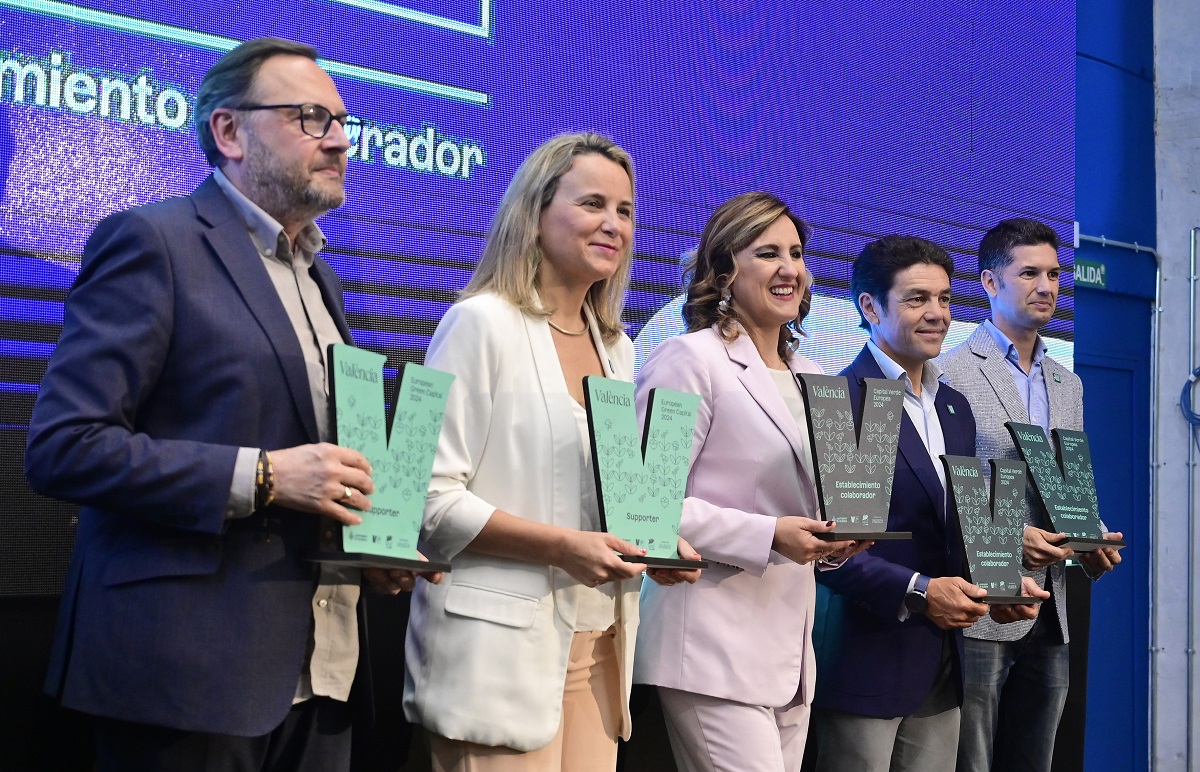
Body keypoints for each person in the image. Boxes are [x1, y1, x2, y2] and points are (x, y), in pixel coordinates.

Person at [24, 37, 437, 772]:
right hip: (186, 680)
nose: (340, 140)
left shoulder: (324, 280)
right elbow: (66, 445)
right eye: (312, 117)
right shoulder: (155, 242)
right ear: (228, 131)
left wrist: (367, 549)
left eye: (343, 121)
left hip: (323, 675)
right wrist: (265, 477)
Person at [403, 132, 698, 771]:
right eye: (593, 203)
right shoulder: (479, 323)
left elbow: (612, 504)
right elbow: (425, 500)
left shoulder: (620, 350)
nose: (613, 224)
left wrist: (654, 550)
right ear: (534, 214)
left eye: (624, 211)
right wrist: (561, 546)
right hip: (496, 659)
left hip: (601, 654)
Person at [632, 192, 866, 772]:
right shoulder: (688, 359)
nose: (790, 268)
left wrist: (836, 543)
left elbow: (812, 512)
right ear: (724, 271)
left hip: (791, 657)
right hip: (709, 642)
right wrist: (770, 534)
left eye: (796, 252)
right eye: (768, 253)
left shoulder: (818, 378)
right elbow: (645, 505)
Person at [810, 235, 1039, 772]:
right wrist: (920, 591)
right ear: (869, 307)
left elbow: (952, 526)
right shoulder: (846, 401)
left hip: (943, 663)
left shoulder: (954, 406)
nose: (937, 313)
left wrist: (999, 583)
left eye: (944, 298)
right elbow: (834, 553)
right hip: (867, 659)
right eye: (917, 299)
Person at [937, 218, 1123, 772]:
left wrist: (1086, 534)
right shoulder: (948, 373)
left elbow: (1065, 480)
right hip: (981, 594)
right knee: (970, 760)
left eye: (1054, 274)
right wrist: (1011, 535)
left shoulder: (1069, 382)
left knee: (1034, 759)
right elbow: (942, 486)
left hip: (1054, 601)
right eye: (1029, 273)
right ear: (990, 283)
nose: (1046, 286)